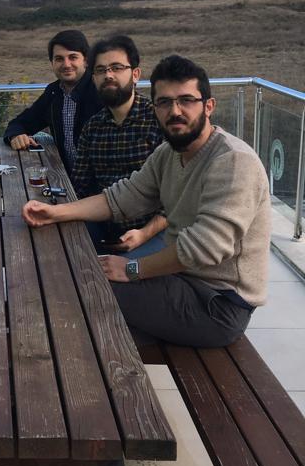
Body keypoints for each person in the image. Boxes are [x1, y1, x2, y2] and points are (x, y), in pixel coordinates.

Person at [24, 55, 269, 348]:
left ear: (208, 106)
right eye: (164, 102)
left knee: (81, 285)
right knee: (78, 275)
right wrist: (55, 212)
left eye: (186, 100)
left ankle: (71, 364)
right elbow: (122, 198)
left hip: (217, 304)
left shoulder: (233, 161)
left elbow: (203, 249)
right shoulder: (169, 154)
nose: (175, 111)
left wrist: (132, 269)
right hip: (181, 279)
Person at [71, 35, 165, 256]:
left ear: (135, 74)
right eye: (100, 70)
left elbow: (178, 197)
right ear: (93, 78)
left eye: (116, 68)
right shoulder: (93, 127)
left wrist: (144, 233)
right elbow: (79, 187)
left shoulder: (158, 121)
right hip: (104, 225)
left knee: (114, 273)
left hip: (154, 229)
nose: (108, 75)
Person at [3, 29, 100, 174]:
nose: (66, 64)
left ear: (86, 60)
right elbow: (21, 122)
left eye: (73, 57)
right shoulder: (54, 92)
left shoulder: (100, 90)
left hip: (101, 181)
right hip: (66, 176)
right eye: (59, 59)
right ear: (52, 63)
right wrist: (16, 136)